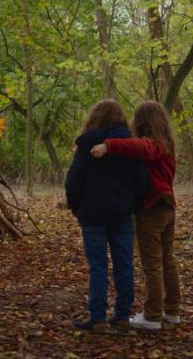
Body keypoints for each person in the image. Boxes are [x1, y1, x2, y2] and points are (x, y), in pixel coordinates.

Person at [90, 101, 181, 330]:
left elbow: (141, 148)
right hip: (167, 207)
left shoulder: (155, 145)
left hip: (153, 209)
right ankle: (171, 311)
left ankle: (152, 316)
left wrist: (108, 146)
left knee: (153, 264)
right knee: (167, 261)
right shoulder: (167, 144)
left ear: (142, 122)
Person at [65, 100, 148, 333]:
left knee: (98, 267)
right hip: (122, 215)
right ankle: (122, 317)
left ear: (95, 117)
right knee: (124, 265)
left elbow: (73, 180)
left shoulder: (86, 145)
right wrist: (133, 205)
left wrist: (76, 207)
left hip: (92, 215)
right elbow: (141, 181)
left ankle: (98, 318)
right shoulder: (131, 146)